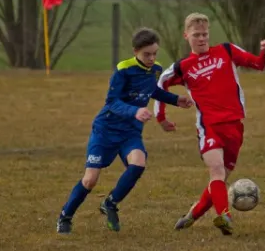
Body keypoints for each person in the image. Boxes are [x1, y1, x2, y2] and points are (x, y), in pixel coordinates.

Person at [56, 28, 193, 234]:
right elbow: (112, 102)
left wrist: (175, 99)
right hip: (106, 130)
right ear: (135, 51)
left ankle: (110, 203)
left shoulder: (155, 69)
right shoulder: (123, 70)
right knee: (90, 180)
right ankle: (65, 216)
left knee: (138, 163)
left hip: (130, 132)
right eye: (147, 54)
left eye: (155, 53)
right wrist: (135, 111)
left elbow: (151, 90)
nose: (152, 58)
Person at [153, 13, 265, 235]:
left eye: (205, 34)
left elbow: (258, 65)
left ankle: (193, 215)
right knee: (216, 170)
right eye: (196, 35)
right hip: (209, 126)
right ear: (186, 35)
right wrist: (161, 117)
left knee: (221, 179)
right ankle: (224, 216)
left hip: (234, 126)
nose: (201, 39)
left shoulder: (226, 51)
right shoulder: (183, 66)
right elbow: (159, 85)